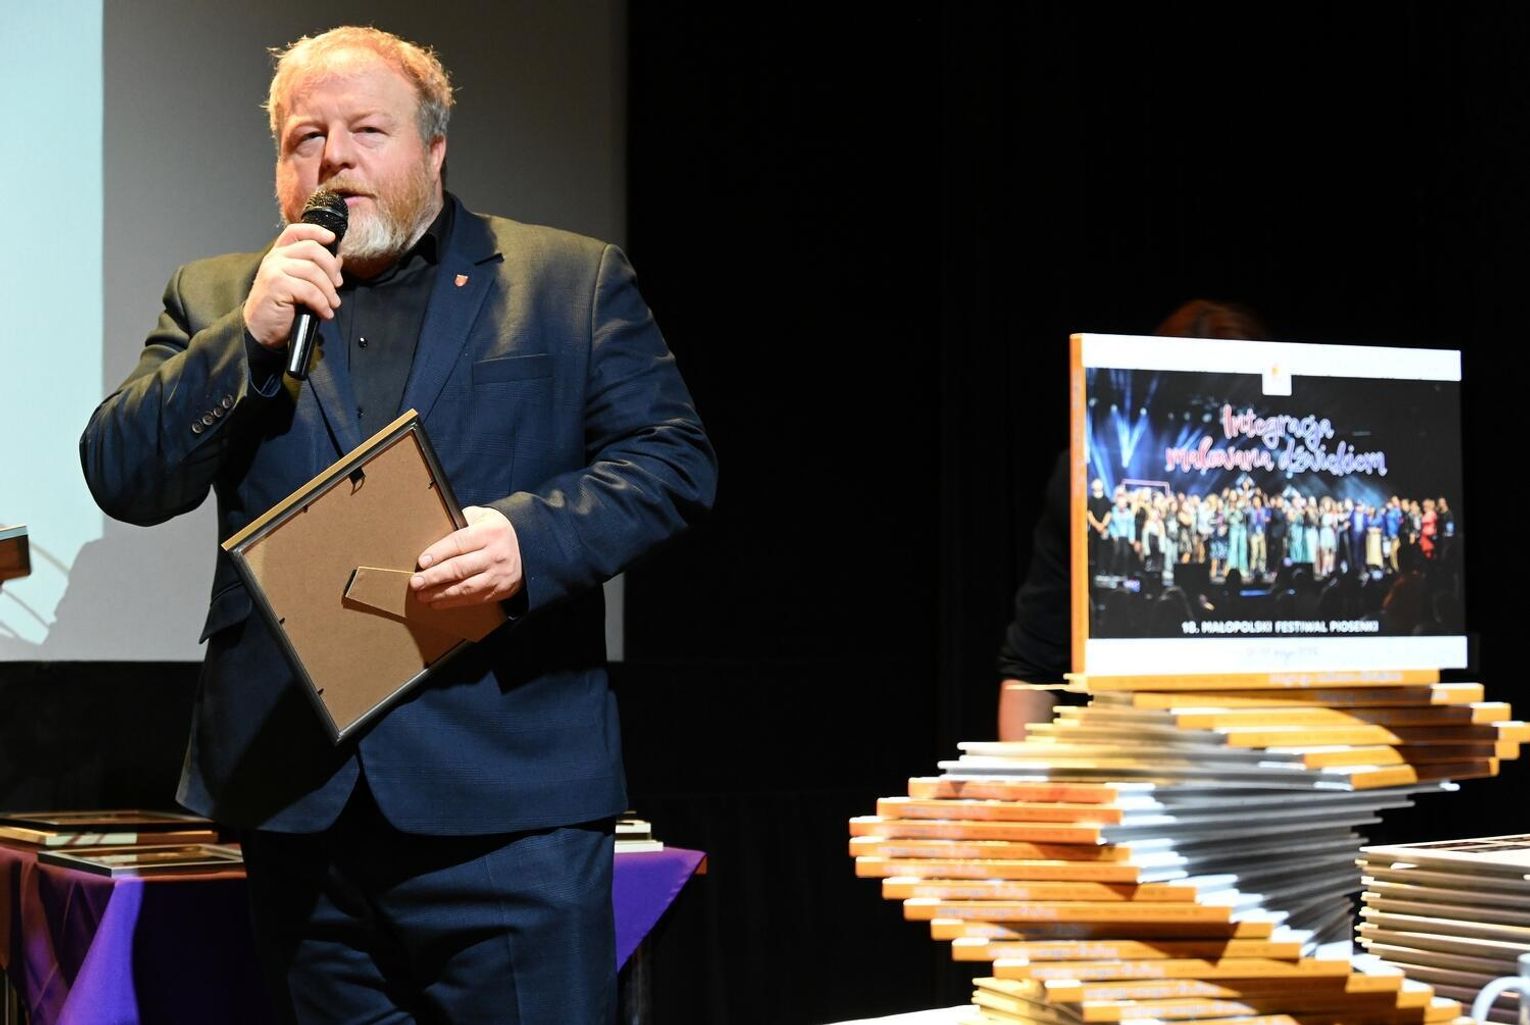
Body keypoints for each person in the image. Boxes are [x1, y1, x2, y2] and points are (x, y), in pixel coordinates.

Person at [78, 26, 716, 1024]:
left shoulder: (565, 280)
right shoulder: (217, 298)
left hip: (509, 802)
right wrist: (248, 338)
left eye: (367, 131)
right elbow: (123, 475)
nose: (334, 157)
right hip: (299, 804)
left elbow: (673, 461)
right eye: (306, 138)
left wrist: (531, 540)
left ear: (434, 148)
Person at [996, 298, 1267, 740]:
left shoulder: (1263, 484)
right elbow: (1031, 667)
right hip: (1143, 753)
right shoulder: (1080, 481)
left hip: (1292, 753)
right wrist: (1021, 777)